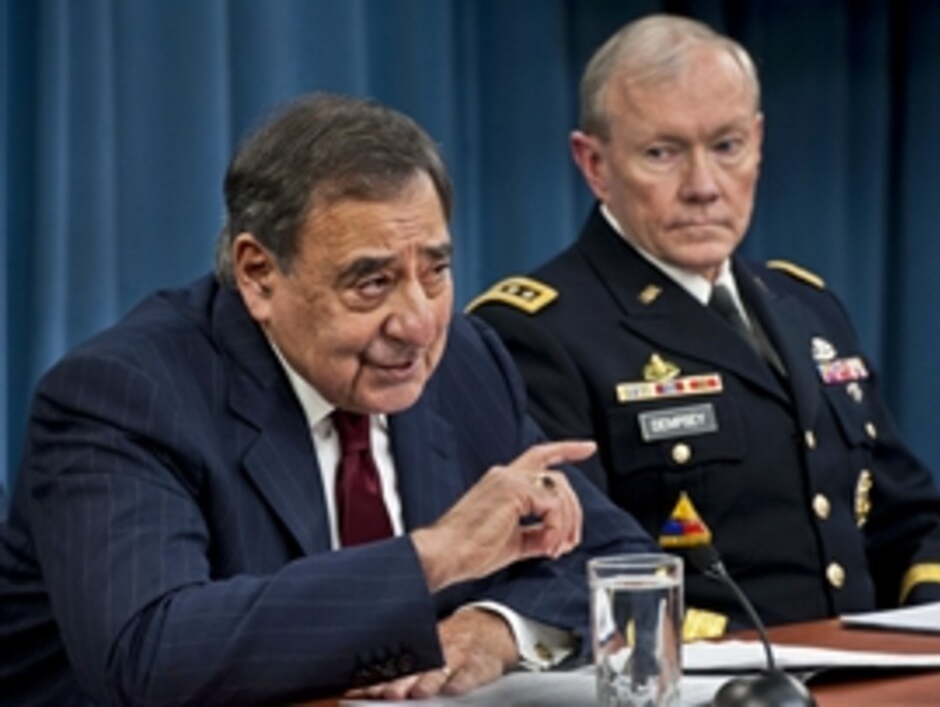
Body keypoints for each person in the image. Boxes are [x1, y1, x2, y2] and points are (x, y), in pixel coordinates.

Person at [0, 93, 656, 704]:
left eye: (436, 270)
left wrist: (496, 627)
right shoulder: (126, 394)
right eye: (372, 282)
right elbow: (149, 652)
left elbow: (618, 559)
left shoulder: (465, 361)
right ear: (258, 273)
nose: (419, 322)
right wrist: (437, 555)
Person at [470, 14, 940, 632]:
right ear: (594, 165)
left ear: (759, 141)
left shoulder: (808, 308)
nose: (704, 187)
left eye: (726, 147)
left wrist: (938, 637)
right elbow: (572, 566)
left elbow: (915, 520)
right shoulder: (536, 331)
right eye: (662, 153)